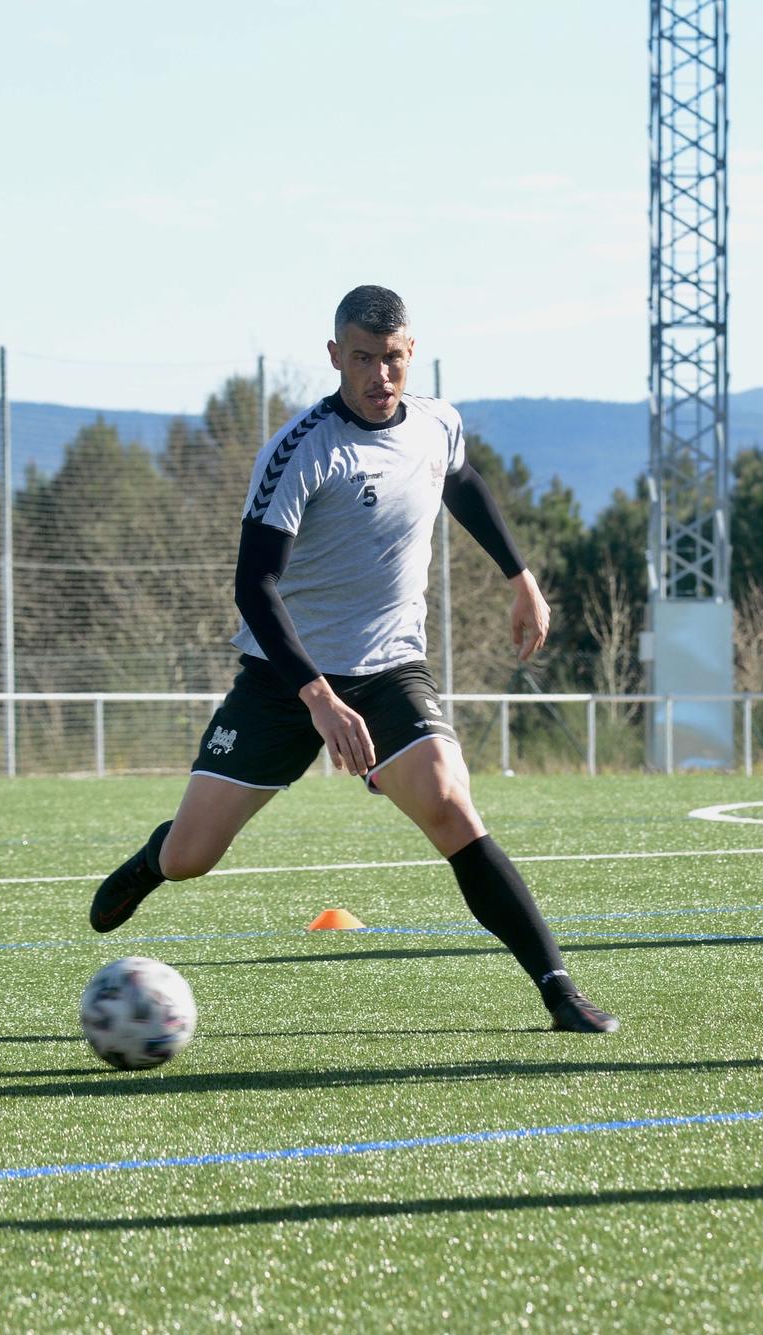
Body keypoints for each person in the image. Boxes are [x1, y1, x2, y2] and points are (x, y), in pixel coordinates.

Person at [88, 284, 618, 1034]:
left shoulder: (437, 423)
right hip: (284, 678)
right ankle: (152, 862)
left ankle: (559, 988)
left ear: (412, 353)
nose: (381, 377)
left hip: (389, 669)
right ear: (336, 356)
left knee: (450, 804)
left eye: (394, 359)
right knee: (192, 855)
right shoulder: (301, 450)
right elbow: (254, 585)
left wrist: (520, 577)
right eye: (363, 359)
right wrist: (317, 697)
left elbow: (460, 483)